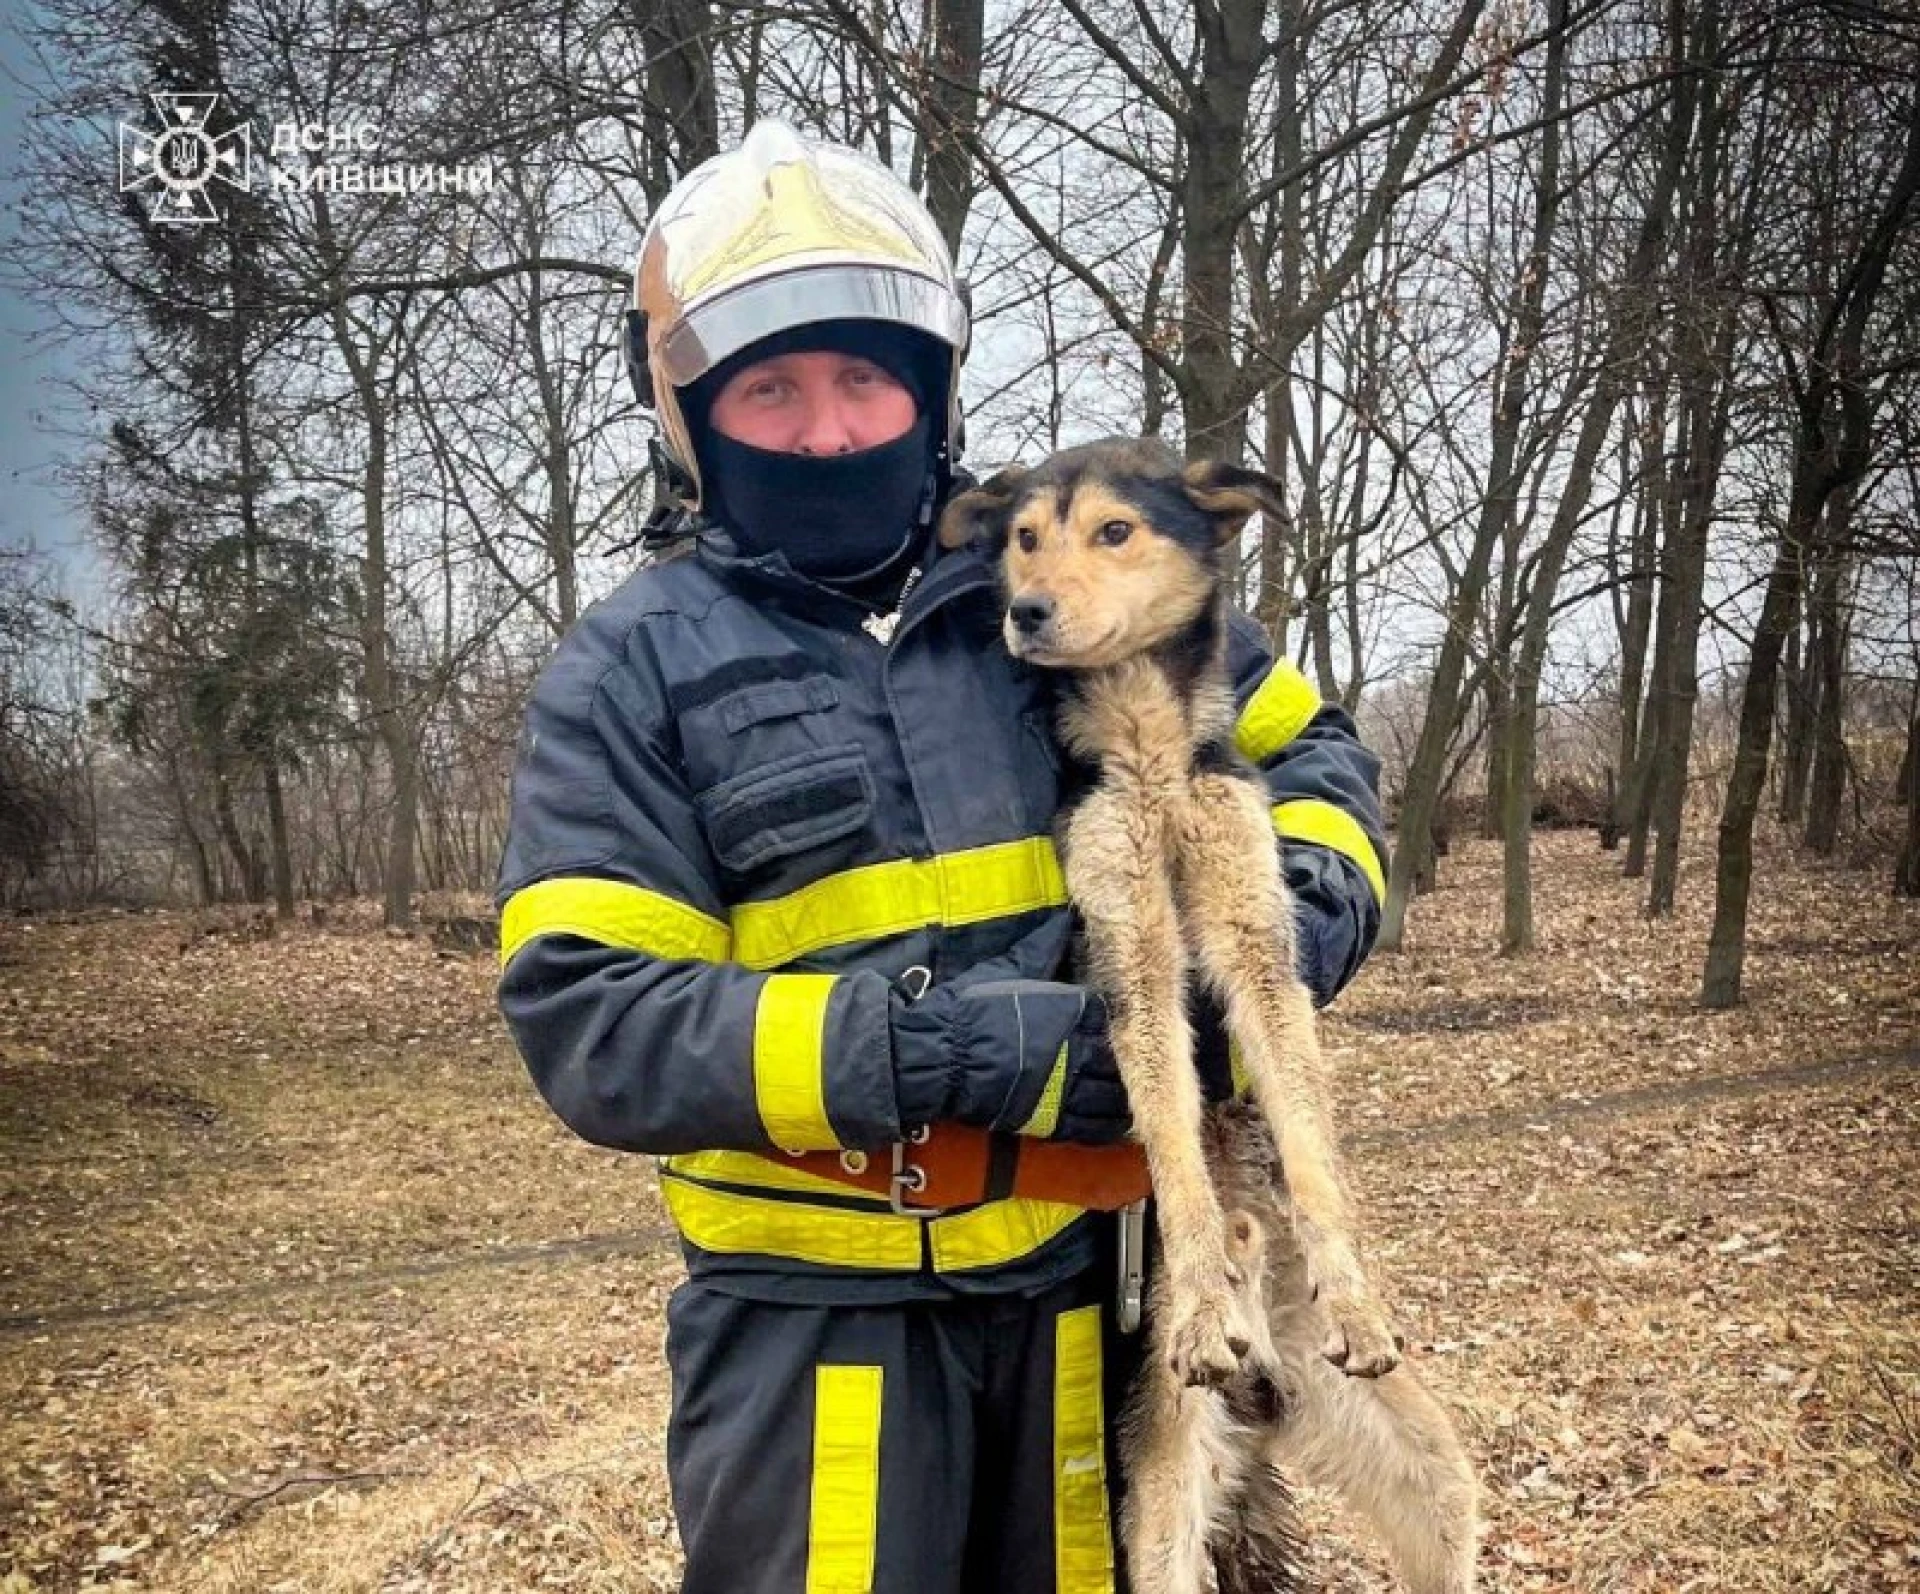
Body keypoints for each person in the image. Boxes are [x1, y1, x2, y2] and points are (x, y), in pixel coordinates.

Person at [496, 120, 1389, 1594]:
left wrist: (1279, 921)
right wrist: (945, 1051)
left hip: (1086, 1312)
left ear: (930, 386)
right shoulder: (627, 671)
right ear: (691, 413)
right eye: (772, 389)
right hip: (810, 1348)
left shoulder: (1052, 582)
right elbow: (595, 1016)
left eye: (865, 378)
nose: (831, 428)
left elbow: (1311, 755)